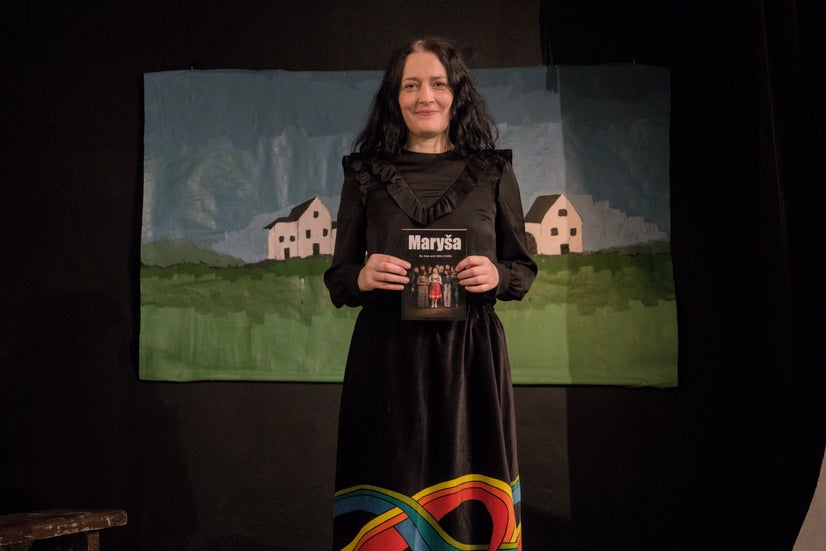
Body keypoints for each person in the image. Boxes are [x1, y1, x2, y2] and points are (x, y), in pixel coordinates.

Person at [324, 35, 537, 551]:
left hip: (471, 358)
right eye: (411, 85)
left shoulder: (493, 171)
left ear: (456, 93)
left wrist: (497, 276)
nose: (426, 96)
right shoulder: (366, 174)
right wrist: (362, 277)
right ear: (395, 98)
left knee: (471, 497)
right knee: (388, 486)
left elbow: (523, 268)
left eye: (439, 84)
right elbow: (339, 278)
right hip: (387, 357)